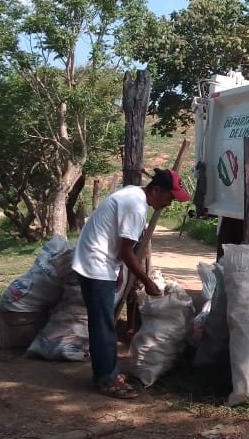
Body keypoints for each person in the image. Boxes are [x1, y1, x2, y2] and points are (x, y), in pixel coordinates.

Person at [72, 168, 190, 399]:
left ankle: (106, 373)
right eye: (170, 197)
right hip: (94, 265)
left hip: (97, 260)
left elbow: (115, 242)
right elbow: (127, 252)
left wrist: (115, 269)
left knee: (102, 322)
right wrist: (146, 281)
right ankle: (107, 380)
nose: (170, 203)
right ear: (156, 189)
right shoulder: (136, 207)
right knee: (103, 325)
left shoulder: (132, 194)